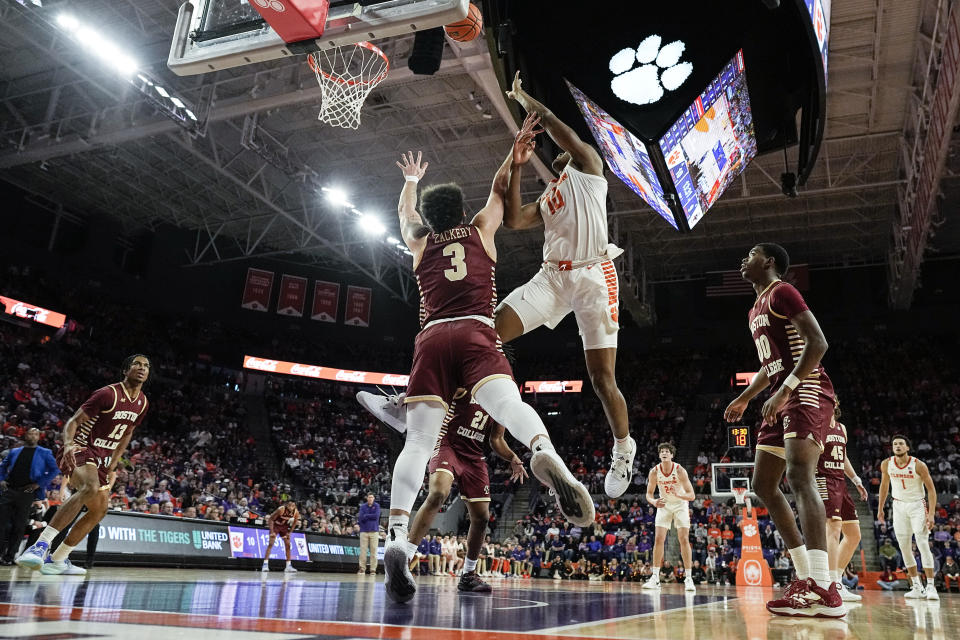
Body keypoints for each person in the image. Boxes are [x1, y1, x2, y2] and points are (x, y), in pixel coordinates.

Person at [379, 116, 594, 603]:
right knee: (508, 403)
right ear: (460, 209)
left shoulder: (419, 242)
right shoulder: (479, 229)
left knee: (416, 443)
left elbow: (402, 213)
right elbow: (501, 189)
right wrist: (514, 153)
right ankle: (544, 450)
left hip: (432, 337)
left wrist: (410, 182)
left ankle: (396, 539)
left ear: (430, 221)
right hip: (477, 330)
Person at [496, 72, 633, 499]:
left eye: (562, 149)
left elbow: (559, 124)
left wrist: (522, 98)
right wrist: (518, 168)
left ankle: (623, 449)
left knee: (600, 378)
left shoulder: (590, 166)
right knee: (490, 330)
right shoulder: (551, 193)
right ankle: (472, 411)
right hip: (552, 276)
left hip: (593, 275)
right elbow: (515, 220)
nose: (558, 151)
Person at [723, 244, 844, 618]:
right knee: (762, 485)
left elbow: (818, 343)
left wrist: (786, 389)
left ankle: (824, 586)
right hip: (781, 393)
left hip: (805, 389)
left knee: (799, 476)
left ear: (769, 262)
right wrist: (745, 397)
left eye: (752, 253)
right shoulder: (754, 308)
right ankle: (805, 581)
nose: (745, 259)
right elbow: (770, 364)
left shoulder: (783, 291)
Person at [379, 392, 527, 592]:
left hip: (474, 457)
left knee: (482, 517)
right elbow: (436, 392)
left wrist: (513, 457)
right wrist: (412, 395)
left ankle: (468, 574)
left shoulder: (498, 397)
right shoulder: (466, 379)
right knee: (439, 492)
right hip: (448, 444)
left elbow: (496, 439)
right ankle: (405, 560)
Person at [17, 355, 150, 575]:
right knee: (90, 487)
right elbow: (74, 421)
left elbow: (128, 432)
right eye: (137, 364)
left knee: (100, 510)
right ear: (126, 370)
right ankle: (39, 545)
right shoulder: (108, 394)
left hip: (102, 458)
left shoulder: (143, 402)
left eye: (146, 366)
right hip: (80, 447)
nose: (142, 368)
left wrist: (114, 461)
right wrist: (68, 444)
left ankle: (57, 559)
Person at [816, 403, 869, 603]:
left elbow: (844, 457)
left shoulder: (841, 427)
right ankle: (830, 584)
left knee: (854, 535)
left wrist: (856, 481)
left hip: (840, 481)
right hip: (823, 478)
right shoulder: (816, 424)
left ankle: (837, 579)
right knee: (833, 526)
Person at [877, 435, 939, 600]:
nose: (897, 446)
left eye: (901, 444)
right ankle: (916, 586)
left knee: (922, 543)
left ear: (907, 448)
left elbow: (932, 490)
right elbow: (884, 486)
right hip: (898, 506)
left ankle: (931, 587)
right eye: (895, 444)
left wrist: (931, 513)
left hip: (917, 505)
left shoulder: (918, 465)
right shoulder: (886, 464)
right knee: (904, 546)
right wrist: (880, 508)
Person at [0, 427, 59, 565]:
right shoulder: (15, 451)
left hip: (27, 493)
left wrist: (38, 484)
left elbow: (55, 469)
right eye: (30, 433)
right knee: (1, 524)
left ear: (39, 437)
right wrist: (1, 479)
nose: (32, 435)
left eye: (35, 433)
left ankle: (10, 557)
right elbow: (2, 466)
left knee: (19, 526)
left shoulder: (45, 452)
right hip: (9, 490)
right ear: (26, 435)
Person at [642, 443, 696, 592]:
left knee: (683, 539)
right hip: (664, 504)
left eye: (667, 451)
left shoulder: (680, 471)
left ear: (672, 455)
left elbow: (692, 495)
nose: (664, 453)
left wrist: (679, 495)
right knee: (659, 539)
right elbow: (649, 494)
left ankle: (689, 578)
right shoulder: (654, 472)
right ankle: (655, 578)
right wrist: (653, 501)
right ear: (659, 455)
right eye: (662, 451)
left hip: (680, 504)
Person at [262, 501, 300, 573]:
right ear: (287, 505)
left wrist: (290, 532)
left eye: (293, 505)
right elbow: (271, 519)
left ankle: (288, 566)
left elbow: (294, 523)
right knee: (271, 544)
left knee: (288, 545)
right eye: (290, 505)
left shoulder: (296, 513)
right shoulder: (281, 509)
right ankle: (265, 564)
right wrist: (272, 531)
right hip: (276, 526)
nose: (291, 507)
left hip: (284, 528)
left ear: (295, 506)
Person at [357, 493, 380, 575]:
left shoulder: (376, 506)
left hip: (374, 531)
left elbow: (376, 516)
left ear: (374, 498)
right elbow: (361, 517)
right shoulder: (363, 506)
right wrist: (368, 516)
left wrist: (366, 516)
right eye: (369, 497)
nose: (370, 499)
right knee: (363, 551)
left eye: (372, 497)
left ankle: (373, 570)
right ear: (367, 498)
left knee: (374, 551)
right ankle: (362, 569)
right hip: (364, 531)